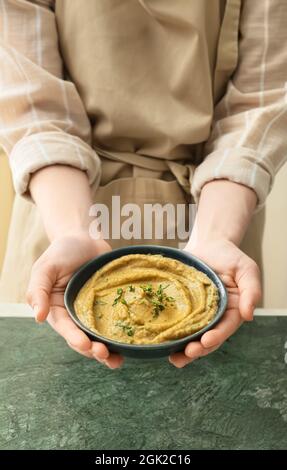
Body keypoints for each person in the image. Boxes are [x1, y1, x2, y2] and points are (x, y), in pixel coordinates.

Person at [0, 0, 286, 368]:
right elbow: (29, 94)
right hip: (60, 219)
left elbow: (263, 96)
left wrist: (218, 236)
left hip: (218, 217)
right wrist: (74, 230)